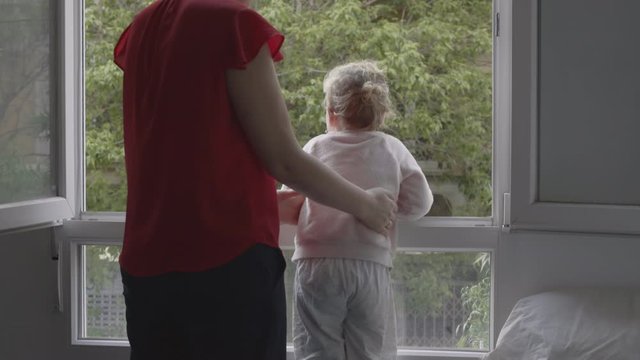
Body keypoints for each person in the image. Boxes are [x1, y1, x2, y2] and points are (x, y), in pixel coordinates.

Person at [113, 1, 397, 359]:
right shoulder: (232, 24)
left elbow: (184, 156)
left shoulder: (143, 27)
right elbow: (284, 159)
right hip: (226, 268)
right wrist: (366, 205)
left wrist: (267, 202)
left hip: (147, 267)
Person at [279, 60, 434, 360]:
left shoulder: (315, 147)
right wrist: (389, 207)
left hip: (318, 263)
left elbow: (291, 199)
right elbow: (421, 203)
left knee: (317, 348)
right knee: (370, 350)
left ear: (331, 113)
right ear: (381, 115)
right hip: (369, 264)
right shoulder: (392, 148)